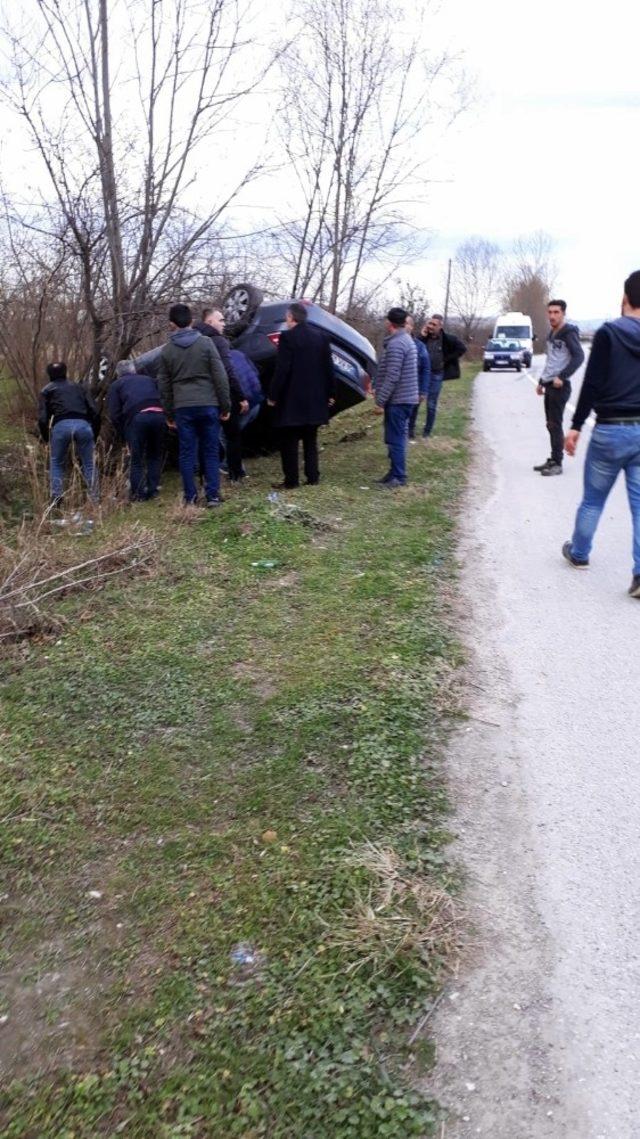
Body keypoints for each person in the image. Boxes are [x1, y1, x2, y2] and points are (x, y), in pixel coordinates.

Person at [562, 270, 640, 598]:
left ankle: (579, 554)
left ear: (625, 298)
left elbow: (591, 383)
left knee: (593, 500)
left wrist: (576, 426)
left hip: (609, 429)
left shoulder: (608, 333)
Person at [158, 303, 231, 507]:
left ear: (171, 324)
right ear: (192, 321)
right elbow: (220, 376)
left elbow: (163, 385)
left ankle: (190, 497)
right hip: (208, 404)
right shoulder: (206, 343)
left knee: (187, 452)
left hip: (183, 408)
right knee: (210, 450)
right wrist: (225, 406)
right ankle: (213, 495)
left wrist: (169, 414)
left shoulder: (166, 351)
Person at [267, 302, 335, 489]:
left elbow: (282, 370)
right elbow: (329, 368)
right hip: (315, 399)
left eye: (287, 318)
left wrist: (273, 395)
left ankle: (292, 480)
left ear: (291, 317)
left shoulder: (287, 338)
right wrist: (330, 393)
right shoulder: (322, 337)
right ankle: (313, 477)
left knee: (289, 441)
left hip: (292, 399)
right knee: (310, 440)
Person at [194, 307, 249, 482]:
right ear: (209, 322)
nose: (224, 323)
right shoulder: (218, 341)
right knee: (232, 434)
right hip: (222, 394)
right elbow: (228, 371)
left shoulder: (193, 339)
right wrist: (240, 396)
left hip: (202, 396)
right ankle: (235, 474)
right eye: (221, 320)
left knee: (206, 438)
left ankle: (205, 477)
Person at [37, 361, 101, 505]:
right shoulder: (80, 388)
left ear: (49, 375)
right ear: (65, 372)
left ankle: (57, 498)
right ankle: (95, 499)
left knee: (57, 463)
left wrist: (46, 437)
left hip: (61, 425)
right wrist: (94, 433)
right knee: (89, 463)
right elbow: (95, 412)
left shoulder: (46, 391)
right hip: (83, 425)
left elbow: (42, 418)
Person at [534, 299, 584, 476]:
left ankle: (558, 463)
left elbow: (579, 357)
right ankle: (553, 458)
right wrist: (541, 381)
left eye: (556, 312)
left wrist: (562, 377)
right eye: (550, 312)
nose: (552, 316)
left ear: (563, 313)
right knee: (550, 424)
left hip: (560, 387)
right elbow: (552, 361)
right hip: (549, 385)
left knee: (555, 424)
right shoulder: (551, 333)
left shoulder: (568, 332)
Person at [107, 361, 166, 501]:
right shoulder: (149, 379)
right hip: (159, 415)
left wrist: (123, 432)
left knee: (136, 458)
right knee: (155, 454)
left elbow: (114, 413)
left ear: (118, 373)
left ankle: (139, 494)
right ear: (134, 370)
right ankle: (153, 489)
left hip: (137, 418)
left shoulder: (116, 385)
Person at [373, 307, 419, 487]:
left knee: (396, 439)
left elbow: (393, 375)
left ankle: (399, 477)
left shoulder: (397, 344)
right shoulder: (404, 340)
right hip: (406, 398)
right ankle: (393, 473)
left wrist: (380, 400)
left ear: (389, 322)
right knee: (395, 437)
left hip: (399, 400)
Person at [419, 314, 466, 439]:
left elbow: (462, 349)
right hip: (422, 374)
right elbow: (414, 348)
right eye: (430, 323)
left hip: (436, 374)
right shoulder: (424, 338)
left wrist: (446, 360)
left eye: (434, 324)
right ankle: (410, 432)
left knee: (431, 404)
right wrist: (421, 335)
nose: (431, 327)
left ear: (440, 326)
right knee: (415, 402)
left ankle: (427, 432)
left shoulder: (448, 339)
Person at [406, 314, 431, 441]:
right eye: (402, 324)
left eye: (406, 324)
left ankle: (410, 431)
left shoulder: (420, 346)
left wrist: (423, 391)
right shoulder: (391, 343)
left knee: (413, 410)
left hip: (414, 385)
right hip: (398, 387)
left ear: (411, 327)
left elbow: (426, 369)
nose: (404, 327)